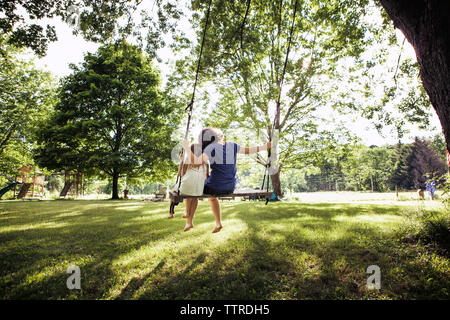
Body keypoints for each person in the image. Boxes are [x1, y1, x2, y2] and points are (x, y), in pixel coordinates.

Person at [181, 127, 271, 233]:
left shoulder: (210, 148)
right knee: (212, 197)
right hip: (230, 187)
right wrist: (266, 146)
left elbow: (196, 163)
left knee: (194, 189)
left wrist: (186, 148)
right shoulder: (232, 145)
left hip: (215, 187)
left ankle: (189, 220)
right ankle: (218, 223)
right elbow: (249, 150)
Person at [168, 143, 209, 232]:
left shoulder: (188, 159)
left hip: (187, 188)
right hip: (199, 190)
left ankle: (171, 213)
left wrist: (181, 161)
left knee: (174, 191)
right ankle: (189, 222)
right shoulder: (205, 161)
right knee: (194, 197)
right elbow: (207, 176)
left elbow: (180, 174)